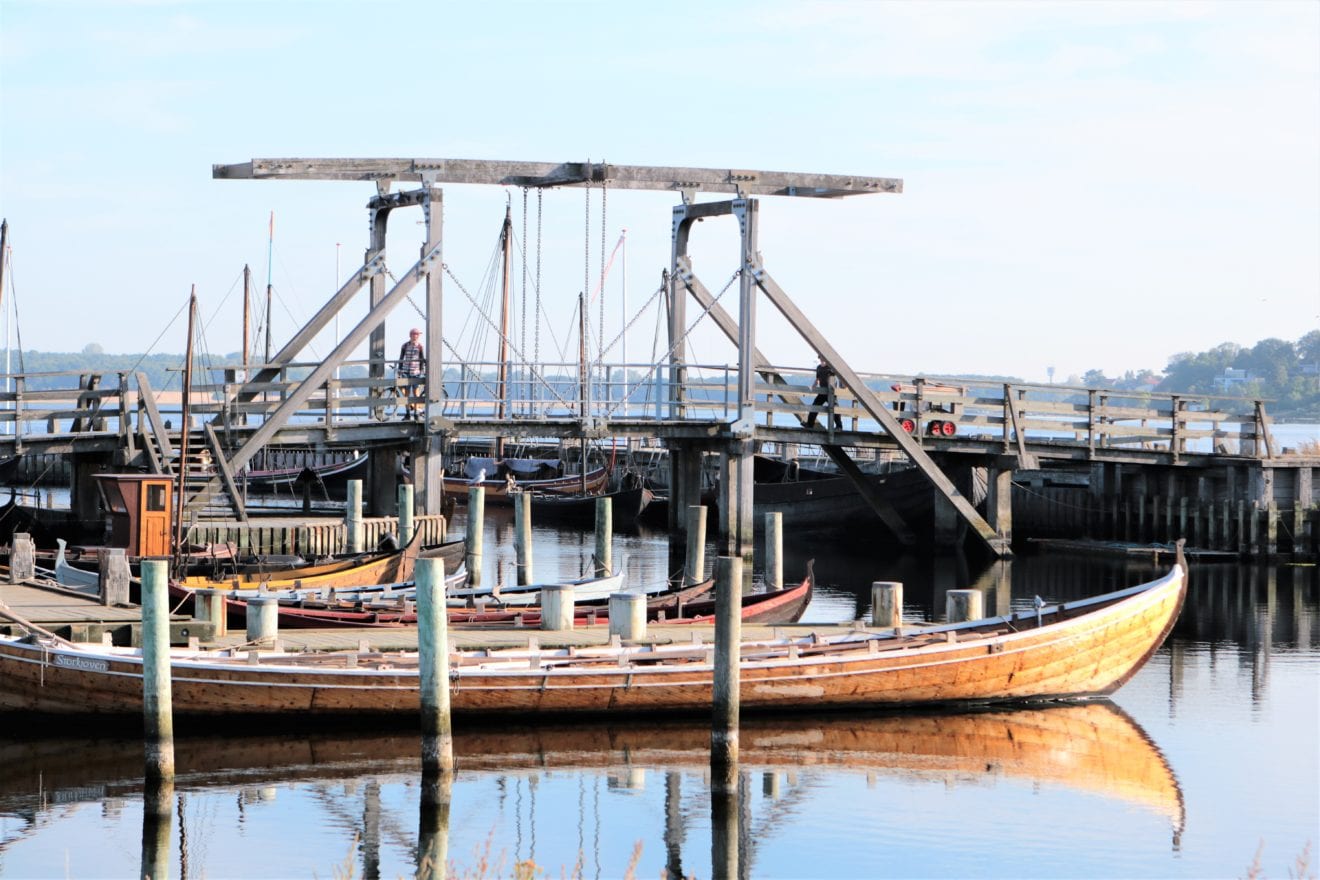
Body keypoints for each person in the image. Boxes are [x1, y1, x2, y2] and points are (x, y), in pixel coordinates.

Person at [804, 353, 843, 429]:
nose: (821, 359)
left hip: (831, 392)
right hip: (822, 392)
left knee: (835, 409)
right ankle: (810, 424)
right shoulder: (819, 368)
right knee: (814, 407)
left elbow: (839, 376)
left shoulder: (831, 367)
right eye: (820, 358)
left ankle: (839, 426)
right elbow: (818, 379)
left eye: (823, 358)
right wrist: (813, 386)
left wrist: (842, 385)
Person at [396, 327, 426, 420]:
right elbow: (401, 358)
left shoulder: (420, 346)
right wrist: (400, 369)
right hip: (406, 371)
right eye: (415, 334)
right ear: (411, 335)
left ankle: (416, 413)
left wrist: (421, 370)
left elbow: (422, 359)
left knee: (416, 392)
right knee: (407, 393)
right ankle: (408, 413)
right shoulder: (405, 346)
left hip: (416, 372)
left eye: (417, 334)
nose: (416, 336)